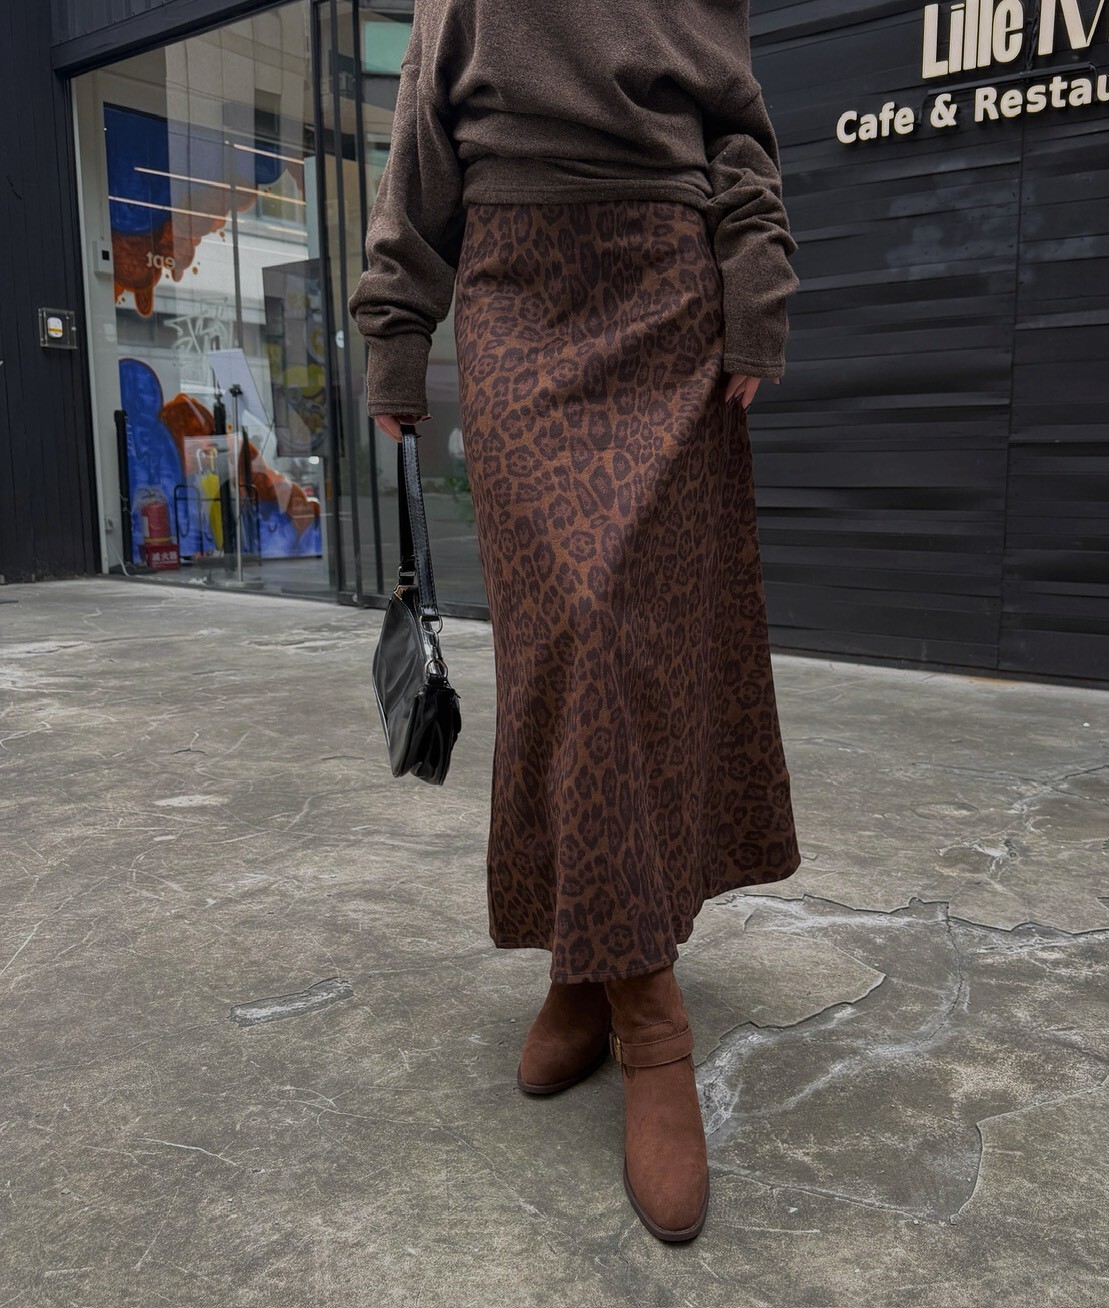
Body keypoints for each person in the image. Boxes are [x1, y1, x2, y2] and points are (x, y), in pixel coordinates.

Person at [347, 0, 803, 1244]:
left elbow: (739, 133)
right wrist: (397, 332)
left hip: (670, 294)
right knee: (574, 639)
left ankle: (610, 985)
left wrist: (755, 285)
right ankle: (631, 995)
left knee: (644, 653)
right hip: (518, 300)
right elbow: (420, 145)